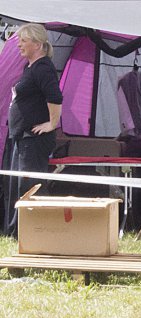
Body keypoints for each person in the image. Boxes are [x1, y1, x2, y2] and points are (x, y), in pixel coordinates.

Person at [2, 23, 63, 237]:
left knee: (29, 186)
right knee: (14, 184)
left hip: (33, 139)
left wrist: (52, 124)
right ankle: (15, 232)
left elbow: (55, 97)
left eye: (23, 40)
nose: (18, 44)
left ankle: (36, 232)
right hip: (20, 135)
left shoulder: (43, 67)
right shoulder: (29, 67)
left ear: (37, 44)